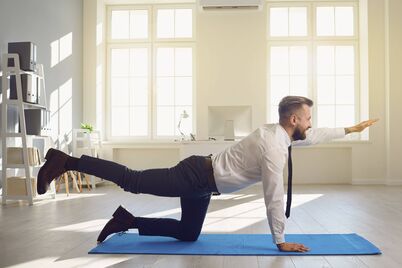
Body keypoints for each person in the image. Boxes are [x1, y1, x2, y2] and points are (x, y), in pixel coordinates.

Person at [37, 96, 378, 252]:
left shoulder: (279, 134)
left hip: (204, 183)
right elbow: (274, 195)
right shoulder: (274, 148)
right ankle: (66, 161)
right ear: (293, 121)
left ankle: (126, 222)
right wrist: (280, 240)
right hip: (195, 176)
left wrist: (350, 129)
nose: (310, 124)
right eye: (307, 118)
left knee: (188, 234)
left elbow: (314, 136)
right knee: (133, 179)